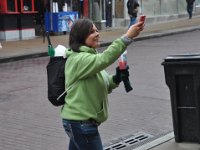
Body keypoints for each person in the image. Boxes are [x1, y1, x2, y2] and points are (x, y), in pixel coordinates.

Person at [61, 18, 144, 150]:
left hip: (78, 122)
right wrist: (127, 37)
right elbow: (105, 58)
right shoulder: (78, 59)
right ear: (81, 37)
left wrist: (116, 78)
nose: (97, 33)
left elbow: (104, 83)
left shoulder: (89, 57)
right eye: (92, 32)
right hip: (81, 123)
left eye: (97, 30)